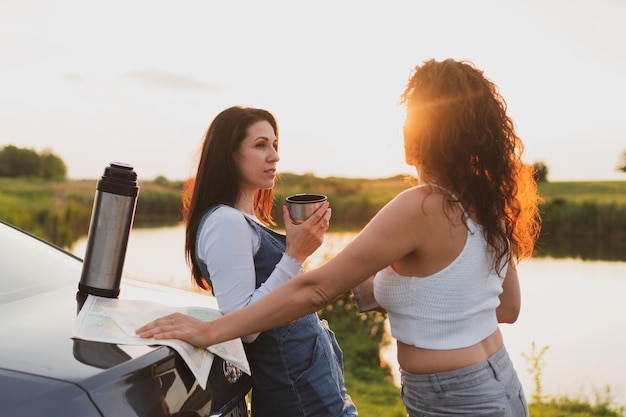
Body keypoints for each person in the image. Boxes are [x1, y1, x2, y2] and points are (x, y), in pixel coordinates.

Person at [137, 59, 541, 416]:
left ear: (430, 128)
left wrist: (209, 331)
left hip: (453, 398)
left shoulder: (420, 205)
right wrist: (398, 293)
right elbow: (506, 307)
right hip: (498, 380)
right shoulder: (488, 203)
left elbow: (316, 290)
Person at [174, 106, 357, 417]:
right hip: (298, 398)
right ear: (229, 154)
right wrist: (295, 254)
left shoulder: (245, 220)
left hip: (315, 389)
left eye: (274, 145)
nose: (274, 156)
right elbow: (243, 325)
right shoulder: (225, 222)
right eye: (260, 145)